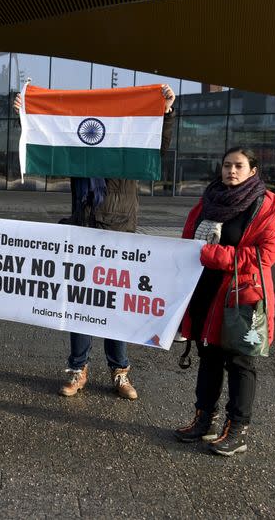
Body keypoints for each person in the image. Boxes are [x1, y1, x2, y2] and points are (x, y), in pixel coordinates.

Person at [15, 84, 177, 400]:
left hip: (119, 238)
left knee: (115, 309)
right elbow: (48, 137)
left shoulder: (128, 154)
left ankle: (120, 372)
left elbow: (157, 144)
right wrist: (27, 113)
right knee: (79, 308)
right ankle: (78, 369)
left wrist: (166, 113)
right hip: (83, 238)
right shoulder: (79, 155)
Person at [174, 147, 275, 456]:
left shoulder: (267, 208)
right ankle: (205, 420)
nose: (232, 170)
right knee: (209, 356)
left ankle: (237, 430)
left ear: (253, 170)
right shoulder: (209, 200)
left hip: (242, 295)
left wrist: (214, 255)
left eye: (239, 165)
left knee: (241, 362)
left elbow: (265, 256)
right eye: (227, 165)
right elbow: (190, 239)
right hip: (206, 291)